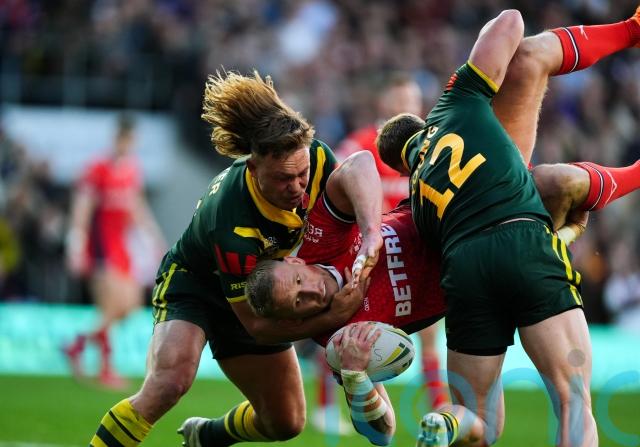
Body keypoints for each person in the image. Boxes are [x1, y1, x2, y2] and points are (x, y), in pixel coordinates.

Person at [376, 7, 640, 447]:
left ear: (401, 166)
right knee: (572, 400)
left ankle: (447, 422)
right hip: (521, 237)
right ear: (421, 123)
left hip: (464, 268)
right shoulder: (453, 106)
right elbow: (510, 22)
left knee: (479, 418)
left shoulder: (415, 202)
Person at [88, 70, 382, 447]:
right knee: (169, 382)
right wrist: (332, 317)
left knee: (286, 423)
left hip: (258, 288)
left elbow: (361, 166)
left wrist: (371, 232)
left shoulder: (316, 158)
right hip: (195, 286)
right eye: (283, 179)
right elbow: (257, 326)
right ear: (253, 168)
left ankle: (207, 435)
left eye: (302, 174)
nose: (297, 187)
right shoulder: (232, 223)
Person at [64, 114, 165, 389]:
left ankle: (78, 345)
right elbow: (83, 208)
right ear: (116, 138)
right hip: (100, 246)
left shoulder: (131, 170)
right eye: (124, 138)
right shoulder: (97, 168)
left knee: (130, 304)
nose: (127, 143)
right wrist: (76, 243)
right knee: (109, 305)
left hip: (121, 246)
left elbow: (137, 208)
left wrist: (152, 239)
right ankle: (106, 369)